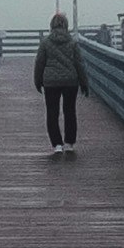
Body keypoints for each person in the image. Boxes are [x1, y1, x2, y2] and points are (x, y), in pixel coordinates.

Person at [34, 10, 86, 156]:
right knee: (70, 111)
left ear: (51, 26)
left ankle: (57, 144)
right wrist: (84, 82)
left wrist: (38, 81)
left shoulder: (45, 42)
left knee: (52, 112)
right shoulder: (73, 42)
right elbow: (79, 64)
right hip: (70, 81)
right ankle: (69, 143)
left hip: (51, 82)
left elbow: (39, 63)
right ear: (66, 25)